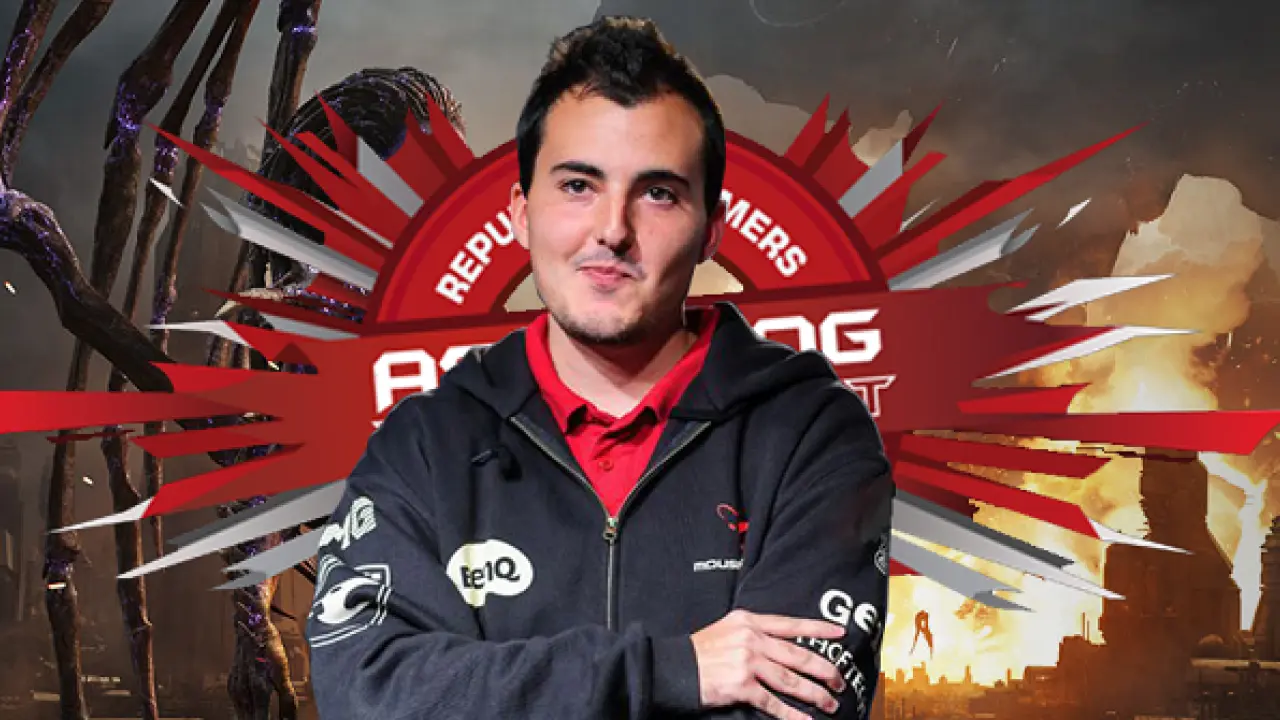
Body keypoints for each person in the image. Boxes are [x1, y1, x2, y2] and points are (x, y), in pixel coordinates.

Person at [306, 15, 894, 720]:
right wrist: (673, 671)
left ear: (712, 229)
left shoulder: (813, 435)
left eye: (659, 192)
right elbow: (368, 691)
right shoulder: (423, 448)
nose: (613, 230)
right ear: (522, 212)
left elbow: (798, 706)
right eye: (578, 185)